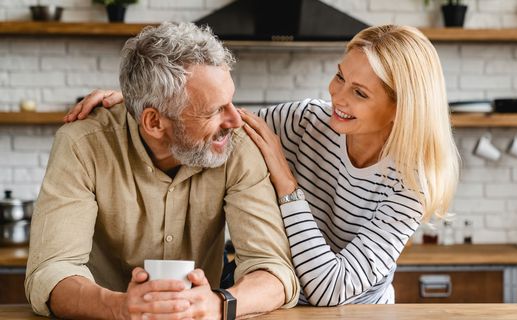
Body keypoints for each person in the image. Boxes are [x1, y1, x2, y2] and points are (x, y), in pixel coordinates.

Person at [66, 24, 459, 306]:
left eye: (359, 93)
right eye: (339, 76)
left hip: (354, 313)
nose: (336, 95)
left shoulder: (412, 184)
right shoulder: (308, 120)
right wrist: (141, 99)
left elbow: (331, 289)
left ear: (400, 109)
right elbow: (208, 118)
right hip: (273, 305)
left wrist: (287, 184)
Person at [26, 22, 299, 319]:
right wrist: (118, 307)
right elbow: (50, 274)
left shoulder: (237, 146)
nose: (235, 119)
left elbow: (274, 272)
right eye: (213, 110)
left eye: (230, 101)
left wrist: (219, 305)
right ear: (154, 123)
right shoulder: (82, 144)